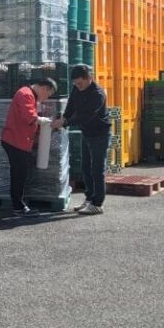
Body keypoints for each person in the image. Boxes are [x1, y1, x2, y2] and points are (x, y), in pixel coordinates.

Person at [52, 64, 112, 215]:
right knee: (86, 167)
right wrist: (64, 117)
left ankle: (98, 204)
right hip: (87, 132)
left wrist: (65, 122)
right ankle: (90, 198)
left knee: (97, 169)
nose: (78, 86)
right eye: (75, 84)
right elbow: (71, 105)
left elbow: (86, 115)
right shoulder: (77, 89)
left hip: (100, 134)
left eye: (80, 83)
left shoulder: (98, 94)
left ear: (89, 78)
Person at [0, 78, 59, 217]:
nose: (46, 98)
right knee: (19, 174)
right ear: (44, 88)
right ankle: (18, 207)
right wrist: (43, 120)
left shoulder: (28, 94)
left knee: (20, 173)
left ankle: (19, 204)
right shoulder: (26, 94)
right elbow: (29, 116)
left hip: (18, 140)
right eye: (48, 94)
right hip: (15, 141)